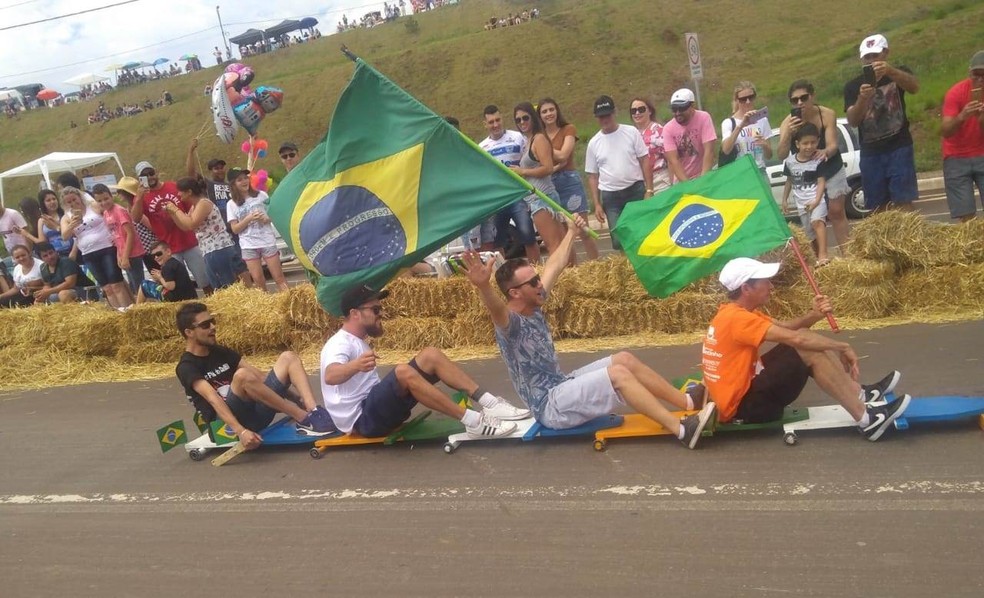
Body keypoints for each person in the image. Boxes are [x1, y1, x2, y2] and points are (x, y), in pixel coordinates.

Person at [460, 215, 716, 448]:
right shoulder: (511, 324)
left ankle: (687, 403)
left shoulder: (534, 301)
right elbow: (496, 310)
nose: (540, 284)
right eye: (533, 282)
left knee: (624, 359)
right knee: (617, 375)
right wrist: (484, 286)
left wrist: (571, 231)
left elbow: (555, 266)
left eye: (537, 278)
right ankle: (682, 430)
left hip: (561, 384)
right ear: (514, 293)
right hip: (550, 406)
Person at [702, 257, 911, 441]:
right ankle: (866, 419)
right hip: (746, 408)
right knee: (806, 347)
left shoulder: (735, 313)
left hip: (743, 393)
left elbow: (788, 328)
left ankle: (859, 394)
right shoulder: (737, 319)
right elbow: (797, 340)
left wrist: (814, 315)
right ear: (746, 288)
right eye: (765, 281)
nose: (771, 286)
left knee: (807, 339)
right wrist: (842, 346)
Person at [320, 285, 529, 439]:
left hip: (375, 409)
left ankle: (490, 404)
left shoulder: (357, 341)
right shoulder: (339, 343)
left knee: (430, 355)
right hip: (362, 420)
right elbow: (330, 376)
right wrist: (355, 366)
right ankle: (473, 421)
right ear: (354, 314)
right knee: (402, 372)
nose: (381, 314)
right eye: (375, 310)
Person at [175, 302, 335, 450]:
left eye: (213, 321)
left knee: (288, 357)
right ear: (189, 332)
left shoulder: (219, 351)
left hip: (254, 414)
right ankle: (303, 418)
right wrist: (241, 432)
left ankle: (312, 410)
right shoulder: (187, 367)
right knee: (242, 376)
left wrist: (296, 399)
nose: (212, 327)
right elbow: (213, 399)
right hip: (225, 428)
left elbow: (258, 376)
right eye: (205, 325)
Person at [845, 34, 920, 213]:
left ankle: (908, 238)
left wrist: (890, 71)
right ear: (862, 58)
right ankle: (884, 240)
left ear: (885, 53)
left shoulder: (898, 73)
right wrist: (863, 99)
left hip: (899, 145)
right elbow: (853, 121)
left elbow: (915, 87)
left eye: (875, 55)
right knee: (877, 204)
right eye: (867, 57)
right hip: (871, 150)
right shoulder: (853, 85)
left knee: (904, 198)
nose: (871, 61)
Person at [778, 80, 852, 255]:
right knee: (812, 218)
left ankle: (848, 255)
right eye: (794, 100)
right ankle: (820, 258)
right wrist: (788, 133)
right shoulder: (787, 123)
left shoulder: (826, 114)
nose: (800, 103)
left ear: (812, 96)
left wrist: (825, 151)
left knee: (836, 211)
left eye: (804, 98)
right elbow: (781, 154)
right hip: (808, 175)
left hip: (830, 166)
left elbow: (833, 144)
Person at [129, 160, 212, 295]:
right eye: (144, 176)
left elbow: (191, 206)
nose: (150, 177)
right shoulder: (142, 196)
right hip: (168, 247)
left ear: (156, 172)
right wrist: (138, 198)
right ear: (140, 179)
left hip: (189, 240)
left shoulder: (173, 186)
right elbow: (135, 218)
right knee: (178, 285)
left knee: (204, 280)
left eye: (151, 173)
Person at [584, 95, 653, 251]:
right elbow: (593, 176)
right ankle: (627, 266)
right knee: (617, 240)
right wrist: (597, 204)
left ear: (614, 112)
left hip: (635, 189)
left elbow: (644, 160)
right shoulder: (594, 143)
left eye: (607, 115)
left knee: (642, 232)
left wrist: (649, 189)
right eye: (601, 117)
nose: (605, 119)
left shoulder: (631, 132)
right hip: (611, 196)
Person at [539, 97, 599, 261]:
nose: (548, 114)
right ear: (540, 116)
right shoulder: (540, 136)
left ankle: (596, 266)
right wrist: (553, 162)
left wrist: (545, 151)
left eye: (551, 109)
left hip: (568, 181)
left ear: (557, 110)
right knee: (565, 235)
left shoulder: (568, 129)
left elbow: (565, 154)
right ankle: (573, 271)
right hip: (549, 185)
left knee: (583, 229)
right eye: (544, 111)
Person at [166, 177, 250, 290]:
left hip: (218, 249)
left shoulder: (203, 203)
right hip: (210, 250)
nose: (178, 194)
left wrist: (176, 210)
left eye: (180, 191)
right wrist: (172, 214)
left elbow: (191, 224)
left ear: (189, 192)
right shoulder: (194, 207)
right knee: (223, 285)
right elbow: (185, 227)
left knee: (227, 286)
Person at [480, 105, 540, 263]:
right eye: (491, 122)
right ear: (485, 124)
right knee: (498, 241)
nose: (495, 125)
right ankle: (501, 276)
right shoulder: (482, 147)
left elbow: (530, 161)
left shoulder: (518, 137)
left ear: (502, 119)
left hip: (518, 195)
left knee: (528, 236)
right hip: (498, 199)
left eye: (498, 120)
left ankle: (537, 271)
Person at [59, 187, 132, 310]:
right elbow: (65, 236)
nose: (73, 203)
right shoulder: (66, 217)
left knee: (116, 284)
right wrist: (72, 225)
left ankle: (127, 309)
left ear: (79, 197)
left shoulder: (92, 206)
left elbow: (110, 211)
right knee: (107, 288)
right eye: (69, 202)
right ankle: (117, 312)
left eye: (74, 199)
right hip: (88, 253)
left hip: (106, 247)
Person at [511, 102, 565, 256]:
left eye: (525, 118)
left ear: (533, 118)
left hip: (543, 198)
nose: (522, 122)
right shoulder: (529, 141)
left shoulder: (539, 139)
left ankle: (567, 275)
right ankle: (571, 273)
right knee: (560, 244)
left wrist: (523, 171)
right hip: (538, 198)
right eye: (518, 120)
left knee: (554, 246)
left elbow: (547, 168)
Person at [227, 168, 289, 292]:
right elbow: (235, 229)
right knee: (258, 281)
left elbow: (273, 215)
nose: (244, 181)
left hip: (267, 241)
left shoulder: (261, 195)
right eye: (240, 180)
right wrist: (248, 219)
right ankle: (266, 308)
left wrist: (266, 219)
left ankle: (290, 302)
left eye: (246, 178)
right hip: (248, 245)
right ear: (233, 184)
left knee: (279, 278)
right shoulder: (231, 204)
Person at [941, 50, 984, 221]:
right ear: (969, 72)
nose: (980, 80)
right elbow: (945, 130)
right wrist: (962, 116)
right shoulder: (956, 92)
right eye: (976, 75)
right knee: (966, 216)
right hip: (956, 156)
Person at [782, 124, 833, 266]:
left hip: (817, 199)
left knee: (817, 222)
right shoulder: (790, 162)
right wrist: (784, 199)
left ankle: (823, 254)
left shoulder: (818, 160)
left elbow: (821, 181)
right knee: (810, 234)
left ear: (817, 142)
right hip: (801, 203)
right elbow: (789, 181)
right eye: (805, 143)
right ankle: (818, 258)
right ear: (797, 144)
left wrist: (817, 200)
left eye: (813, 142)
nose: (809, 146)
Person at [92, 183, 143, 298]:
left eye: (106, 199)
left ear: (111, 196)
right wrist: (119, 255)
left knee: (139, 285)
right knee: (133, 285)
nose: (104, 203)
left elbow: (130, 233)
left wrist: (125, 256)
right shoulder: (105, 213)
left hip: (132, 253)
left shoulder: (119, 211)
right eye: (100, 201)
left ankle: (145, 307)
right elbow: (115, 236)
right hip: (122, 252)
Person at [662, 88, 717, 183]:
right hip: (682, 180)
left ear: (692, 106)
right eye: (674, 109)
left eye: (682, 108)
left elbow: (709, 151)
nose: (678, 113)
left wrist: (703, 180)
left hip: (704, 174)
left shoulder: (704, 118)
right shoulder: (668, 129)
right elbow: (674, 160)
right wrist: (688, 185)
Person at [720, 81, 773, 173]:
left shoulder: (762, 120)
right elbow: (726, 150)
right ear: (737, 100)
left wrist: (764, 145)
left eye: (751, 97)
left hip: (759, 170)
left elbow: (769, 156)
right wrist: (741, 126)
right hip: (740, 172)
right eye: (743, 99)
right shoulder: (728, 122)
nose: (748, 102)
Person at [628, 97, 671, 194]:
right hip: (640, 184)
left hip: (660, 180)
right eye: (633, 111)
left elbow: (670, 158)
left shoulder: (658, 130)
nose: (637, 113)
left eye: (641, 109)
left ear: (650, 111)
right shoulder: (631, 134)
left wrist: (673, 182)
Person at [186, 139, 233, 221]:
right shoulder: (207, 183)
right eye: (216, 168)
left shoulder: (231, 185)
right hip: (217, 226)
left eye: (222, 168)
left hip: (233, 225)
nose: (220, 170)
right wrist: (191, 151)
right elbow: (191, 173)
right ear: (210, 171)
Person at [28, 189, 77, 261]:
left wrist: (56, 227)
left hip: (72, 250)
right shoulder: (42, 220)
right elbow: (43, 242)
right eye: (48, 200)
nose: (52, 202)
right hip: (56, 255)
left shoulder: (66, 215)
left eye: (54, 199)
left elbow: (75, 233)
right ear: (43, 203)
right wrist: (26, 234)